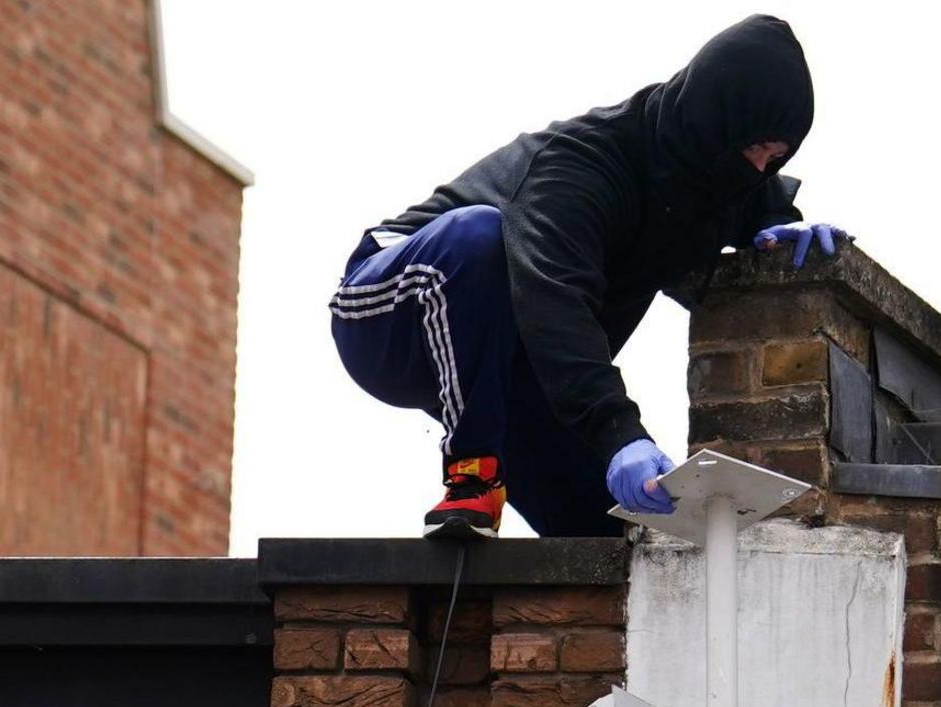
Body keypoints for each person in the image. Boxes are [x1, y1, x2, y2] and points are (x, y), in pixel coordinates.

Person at [331, 17, 849, 540]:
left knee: (617, 534)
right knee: (481, 235)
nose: (760, 167)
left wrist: (776, 228)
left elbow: (746, 202)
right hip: (393, 307)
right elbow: (554, 299)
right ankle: (472, 475)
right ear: (715, 120)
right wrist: (620, 431)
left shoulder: (708, 183)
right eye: (754, 147)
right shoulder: (586, 166)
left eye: (776, 157)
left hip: (509, 367)